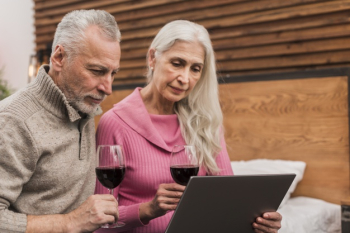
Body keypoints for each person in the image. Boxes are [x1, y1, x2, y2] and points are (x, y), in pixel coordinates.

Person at [95, 20, 282, 233]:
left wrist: (259, 222)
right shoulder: (115, 122)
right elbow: (100, 222)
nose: (185, 79)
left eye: (195, 69)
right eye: (177, 63)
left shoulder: (205, 122)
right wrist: (147, 210)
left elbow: (229, 203)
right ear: (152, 58)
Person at [0, 9, 121, 233]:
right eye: (96, 71)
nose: (108, 88)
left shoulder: (82, 102)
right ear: (59, 58)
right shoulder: (13, 122)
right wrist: (69, 223)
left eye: (113, 73)